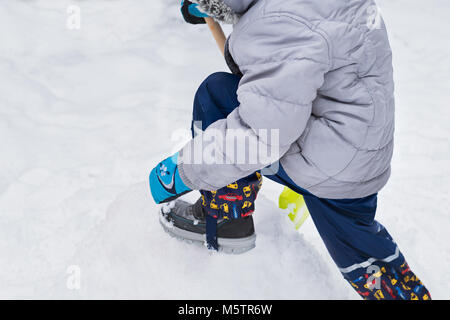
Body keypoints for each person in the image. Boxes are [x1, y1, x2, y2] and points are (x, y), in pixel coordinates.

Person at [149, 0, 431, 300]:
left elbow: (262, 132)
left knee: (217, 95)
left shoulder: (280, 24)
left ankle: (224, 217)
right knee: (367, 258)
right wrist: (214, 8)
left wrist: (183, 170)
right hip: (361, 152)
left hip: (325, 163)